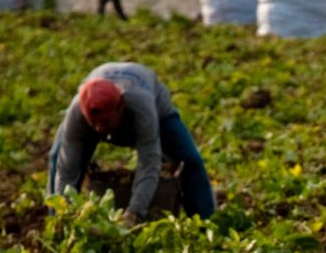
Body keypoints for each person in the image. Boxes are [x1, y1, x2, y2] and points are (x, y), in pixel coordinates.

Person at [48, 62, 214, 225]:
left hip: (155, 105)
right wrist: (66, 215)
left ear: (120, 107)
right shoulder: (78, 112)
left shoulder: (141, 106)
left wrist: (134, 212)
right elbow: (67, 172)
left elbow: (149, 163)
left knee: (191, 161)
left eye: (105, 122)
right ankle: (59, 225)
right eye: (94, 123)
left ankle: (205, 224)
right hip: (92, 111)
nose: (99, 129)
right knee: (58, 158)